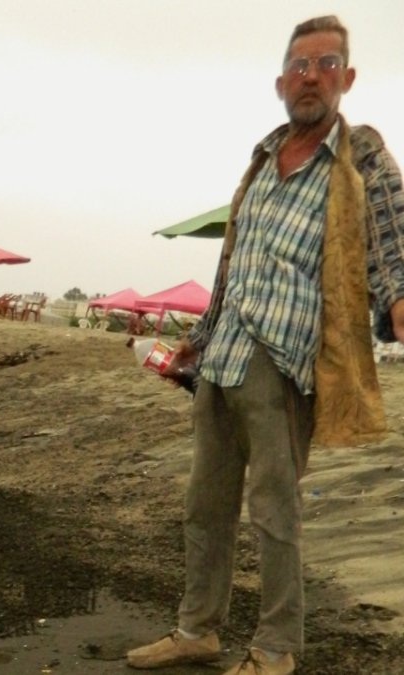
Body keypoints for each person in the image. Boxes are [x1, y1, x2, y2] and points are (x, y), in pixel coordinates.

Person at [127, 16, 404, 675]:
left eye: (326, 62)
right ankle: (198, 628)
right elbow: (233, 263)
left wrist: (397, 295)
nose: (310, 75)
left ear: (347, 77)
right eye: (299, 65)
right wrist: (197, 342)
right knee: (205, 502)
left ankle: (277, 648)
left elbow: (391, 239)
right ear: (280, 81)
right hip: (224, 351)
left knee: (274, 506)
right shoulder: (260, 157)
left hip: (285, 355)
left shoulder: (361, 154)